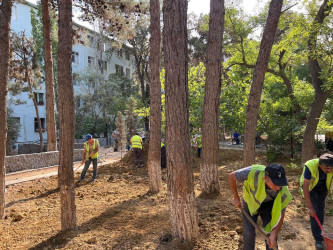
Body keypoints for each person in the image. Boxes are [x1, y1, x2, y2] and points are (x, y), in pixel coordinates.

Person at [228, 163, 292, 250]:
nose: (279, 188)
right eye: (276, 184)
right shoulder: (253, 172)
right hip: (250, 201)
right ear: (266, 179)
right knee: (249, 232)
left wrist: (274, 234)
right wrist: (236, 197)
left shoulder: (284, 193)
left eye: (281, 183)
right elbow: (231, 176)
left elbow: (281, 214)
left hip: (269, 205)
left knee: (270, 233)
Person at [300, 153, 333, 250]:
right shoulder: (310, 166)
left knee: (320, 211)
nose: (329, 171)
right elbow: (306, 186)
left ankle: (321, 232)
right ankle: (318, 239)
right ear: (319, 165)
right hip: (311, 188)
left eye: (331, 169)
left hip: (323, 188)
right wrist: (309, 207)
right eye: (327, 169)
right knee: (314, 212)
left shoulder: (331, 167)